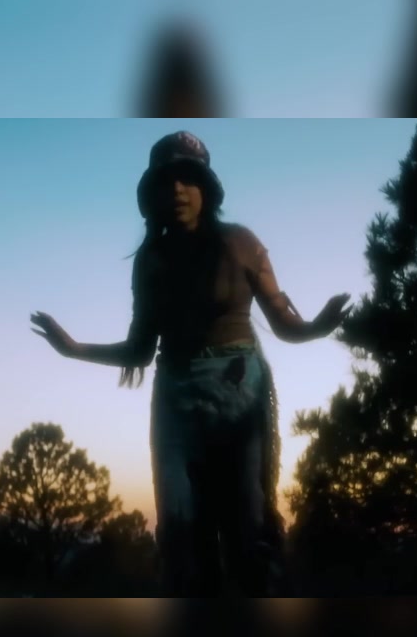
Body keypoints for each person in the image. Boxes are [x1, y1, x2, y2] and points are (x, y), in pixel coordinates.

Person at [30, 131, 350, 596]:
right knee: (180, 531)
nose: (177, 191)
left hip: (240, 393)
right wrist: (74, 348)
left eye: (188, 179)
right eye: (166, 182)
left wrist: (318, 326)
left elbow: (284, 322)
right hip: (175, 401)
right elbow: (140, 350)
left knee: (249, 524)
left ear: (207, 189)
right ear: (153, 196)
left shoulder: (241, 243)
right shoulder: (152, 261)